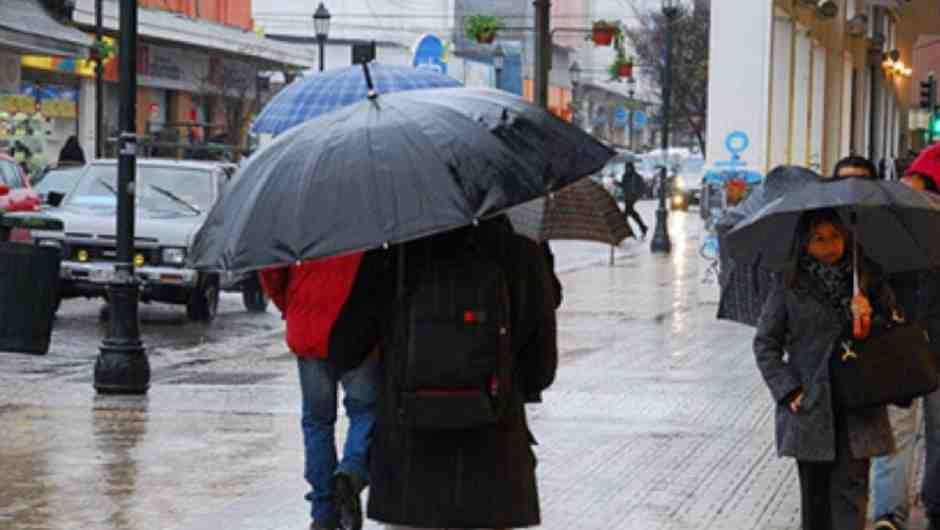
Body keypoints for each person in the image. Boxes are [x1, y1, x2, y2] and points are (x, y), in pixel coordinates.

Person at [367, 217, 559, 530]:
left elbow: (347, 348)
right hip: (494, 468)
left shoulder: (392, 254)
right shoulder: (521, 252)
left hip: (408, 469)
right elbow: (541, 371)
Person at [754, 208, 895, 530]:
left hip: (858, 403)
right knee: (815, 502)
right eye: (819, 239)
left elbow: (894, 328)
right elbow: (765, 343)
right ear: (804, 243)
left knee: (851, 498)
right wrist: (788, 389)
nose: (830, 245)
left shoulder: (868, 278)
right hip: (811, 405)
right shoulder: (789, 284)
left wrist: (870, 318)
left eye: (835, 237)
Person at [260, 251, 392, 530]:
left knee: (317, 422)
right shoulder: (368, 224)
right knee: (366, 411)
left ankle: (323, 511)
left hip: (309, 327)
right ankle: (351, 472)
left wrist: (291, 305)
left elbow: (272, 268)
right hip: (359, 328)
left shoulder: (300, 223)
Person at [869, 159, 940, 530]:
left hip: (937, 351)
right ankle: (889, 515)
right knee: (895, 435)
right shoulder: (882, 247)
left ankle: (936, 504)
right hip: (896, 353)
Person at [618, 161, 649, 239]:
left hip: (632, 198)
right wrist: (617, 183)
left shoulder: (636, 176)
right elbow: (623, 185)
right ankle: (643, 227)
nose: (628, 169)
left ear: (632, 168)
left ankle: (622, 232)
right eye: (627, 168)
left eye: (629, 168)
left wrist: (637, 195)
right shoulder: (625, 176)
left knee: (626, 214)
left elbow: (642, 187)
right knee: (631, 213)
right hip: (626, 197)